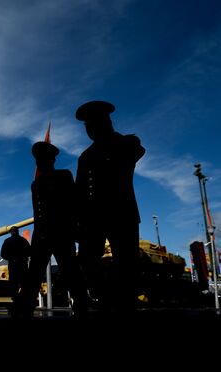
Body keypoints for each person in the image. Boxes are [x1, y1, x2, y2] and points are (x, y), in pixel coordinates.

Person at [74, 100, 145, 313]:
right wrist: (78, 221)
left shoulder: (124, 143)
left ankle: (124, 302)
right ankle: (103, 295)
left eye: (93, 124)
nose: (89, 129)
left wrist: (114, 140)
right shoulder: (85, 156)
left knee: (126, 261)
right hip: (92, 217)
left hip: (121, 212)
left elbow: (137, 150)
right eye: (87, 126)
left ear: (106, 122)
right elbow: (79, 191)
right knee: (86, 259)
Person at [15, 141, 88, 318]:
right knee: (34, 273)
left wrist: (76, 229)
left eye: (42, 159)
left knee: (70, 270)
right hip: (42, 235)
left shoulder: (64, 176)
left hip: (61, 232)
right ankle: (24, 306)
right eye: (37, 159)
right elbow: (38, 213)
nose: (39, 162)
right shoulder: (36, 184)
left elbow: (74, 204)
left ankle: (82, 304)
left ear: (51, 159)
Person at [0, 226, 30, 302]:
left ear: (11, 232)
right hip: (22, 264)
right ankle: (24, 298)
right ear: (18, 231)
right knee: (23, 281)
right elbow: (29, 251)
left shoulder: (7, 241)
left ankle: (15, 298)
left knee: (13, 282)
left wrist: (11, 259)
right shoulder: (23, 240)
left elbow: (3, 254)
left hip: (13, 265)